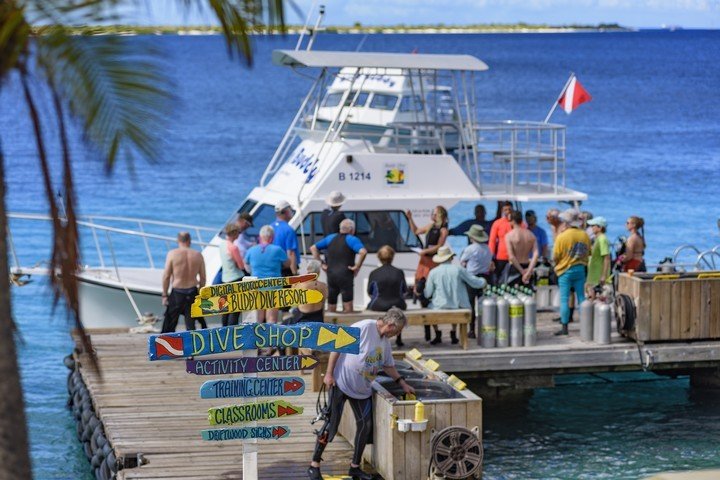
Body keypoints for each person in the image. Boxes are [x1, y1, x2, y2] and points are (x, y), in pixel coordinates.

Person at [307, 308, 414, 480]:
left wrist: (402, 383)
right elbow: (337, 346)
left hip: (362, 390)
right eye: (398, 331)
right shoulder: (364, 327)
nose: (397, 334)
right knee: (330, 425)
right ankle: (314, 465)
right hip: (341, 383)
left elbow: (388, 366)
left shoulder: (385, 342)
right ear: (391, 325)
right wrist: (329, 373)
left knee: (365, 426)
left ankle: (354, 467)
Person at [425, 246, 487, 344]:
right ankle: (453, 333)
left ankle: (437, 333)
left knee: (430, 307)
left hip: (439, 306)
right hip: (457, 305)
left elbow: (428, 293)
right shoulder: (458, 270)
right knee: (456, 304)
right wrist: (484, 281)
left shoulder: (433, 272)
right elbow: (474, 282)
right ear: (451, 257)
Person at [407, 206, 449, 341]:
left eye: (435, 213)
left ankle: (435, 331)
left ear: (440, 215)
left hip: (433, 261)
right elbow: (416, 231)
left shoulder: (443, 230)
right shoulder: (431, 226)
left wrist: (425, 252)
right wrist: (410, 218)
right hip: (424, 261)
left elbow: (439, 246)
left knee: (431, 294)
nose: (432, 215)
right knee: (420, 288)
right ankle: (428, 331)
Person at [310, 219, 368, 313]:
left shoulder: (330, 238)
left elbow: (313, 248)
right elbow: (363, 252)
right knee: (348, 307)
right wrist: (357, 266)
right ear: (351, 230)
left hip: (331, 274)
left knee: (331, 305)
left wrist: (321, 263)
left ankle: (331, 325)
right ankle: (347, 324)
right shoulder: (351, 239)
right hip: (346, 274)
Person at [552, 209, 591, 335]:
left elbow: (555, 256)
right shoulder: (584, 235)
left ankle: (564, 328)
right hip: (580, 268)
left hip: (565, 270)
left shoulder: (562, 236)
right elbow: (588, 252)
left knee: (564, 298)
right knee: (581, 298)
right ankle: (585, 326)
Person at [244, 225, 291, 325]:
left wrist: (252, 270)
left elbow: (245, 263)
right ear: (272, 237)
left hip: (257, 287)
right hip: (273, 287)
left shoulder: (252, 250)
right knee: (271, 319)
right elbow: (288, 264)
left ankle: (258, 339)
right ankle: (270, 340)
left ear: (260, 237)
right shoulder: (277, 250)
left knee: (258, 319)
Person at [160, 232, 206, 333]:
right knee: (191, 325)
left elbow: (166, 276)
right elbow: (202, 278)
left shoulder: (172, 254)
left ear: (178, 241)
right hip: (192, 291)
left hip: (177, 292)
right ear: (190, 241)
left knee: (169, 325)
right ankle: (192, 346)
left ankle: (166, 346)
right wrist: (200, 296)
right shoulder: (198, 255)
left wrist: (164, 295)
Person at [367, 246, 408, 346]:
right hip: (398, 304)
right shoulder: (399, 272)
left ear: (379, 257)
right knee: (397, 312)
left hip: (378, 304)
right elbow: (405, 291)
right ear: (392, 257)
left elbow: (370, 292)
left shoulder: (374, 273)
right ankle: (399, 337)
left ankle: (379, 336)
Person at [460, 225, 493, 339]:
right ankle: (485, 328)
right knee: (483, 304)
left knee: (470, 305)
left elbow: (462, 262)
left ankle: (472, 330)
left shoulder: (470, 248)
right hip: (484, 278)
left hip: (471, 278)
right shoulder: (488, 249)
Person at [219, 224, 245, 326]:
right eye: (238, 232)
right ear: (234, 233)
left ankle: (224, 330)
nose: (239, 234)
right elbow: (240, 265)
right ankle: (232, 331)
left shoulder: (222, 244)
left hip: (225, 279)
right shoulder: (233, 247)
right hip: (235, 278)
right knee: (235, 309)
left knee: (225, 309)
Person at [505, 211, 539, 287]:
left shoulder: (509, 236)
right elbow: (536, 255)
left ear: (513, 221)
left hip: (515, 268)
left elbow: (511, 256)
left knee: (512, 296)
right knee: (527, 295)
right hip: (527, 267)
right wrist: (529, 271)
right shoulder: (531, 235)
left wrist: (522, 271)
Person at [292, 260, 328, 324]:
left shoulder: (299, 284)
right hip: (317, 317)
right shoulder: (324, 286)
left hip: (302, 317)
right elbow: (323, 304)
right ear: (318, 272)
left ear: (308, 271)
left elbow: (293, 304)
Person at [488, 201, 515, 282]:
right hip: (501, 257)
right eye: (505, 210)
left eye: (509, 209)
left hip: (514, 256)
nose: (508, 212)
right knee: (499, 279)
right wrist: (490, 258)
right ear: (503, 211)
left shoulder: (517, 223)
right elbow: (492, 241)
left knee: (512, 279)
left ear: (513, 210)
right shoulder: (497, 223)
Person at [272, 200, 300, 276]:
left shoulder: (270, 227)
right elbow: (290, 253)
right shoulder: (288, 230)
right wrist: (294, 274)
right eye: (290, 210)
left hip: (273, 269)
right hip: (286, 270)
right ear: (286, 212)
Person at [586, 217, 611, 299]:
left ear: (600, 227)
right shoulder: (598, 238)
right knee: (590, 294)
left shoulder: (602, 239)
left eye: (593, 225)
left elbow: (606, 258)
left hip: (598, 274)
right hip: (593, 273)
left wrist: (603, 275)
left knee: (596, 297)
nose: (591, 227)